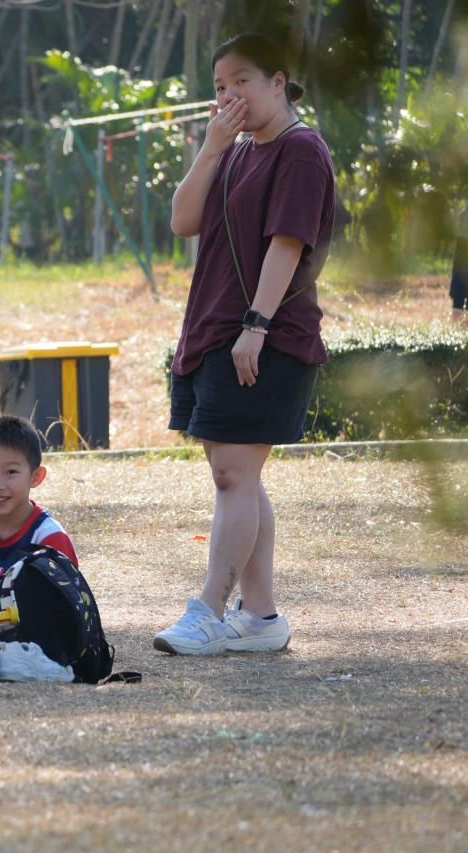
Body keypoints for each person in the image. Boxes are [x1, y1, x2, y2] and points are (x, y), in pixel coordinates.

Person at [156, 33, 335, 655]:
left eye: (242, 81)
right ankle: (259, 616)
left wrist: (256, 325)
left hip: (266, 335)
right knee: (238, 475)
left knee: (234, 474)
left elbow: (288, 243)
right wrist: (210, 147)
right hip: (213, 330)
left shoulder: (301, 150)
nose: (229, 95)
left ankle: (208, 610)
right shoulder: (233, 153)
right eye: (219, 86)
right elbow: (182, 220)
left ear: (278, 83)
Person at [0, 415, 78, 641]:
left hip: (28, 645)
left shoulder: (48, 537)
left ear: (36, 477)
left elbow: (60, 610)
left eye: (11, 472)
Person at [451, 205, 467, 324]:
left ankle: (457, 331)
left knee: (458, 301)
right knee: (458, 301)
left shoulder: (463, 213)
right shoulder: (464, 214)